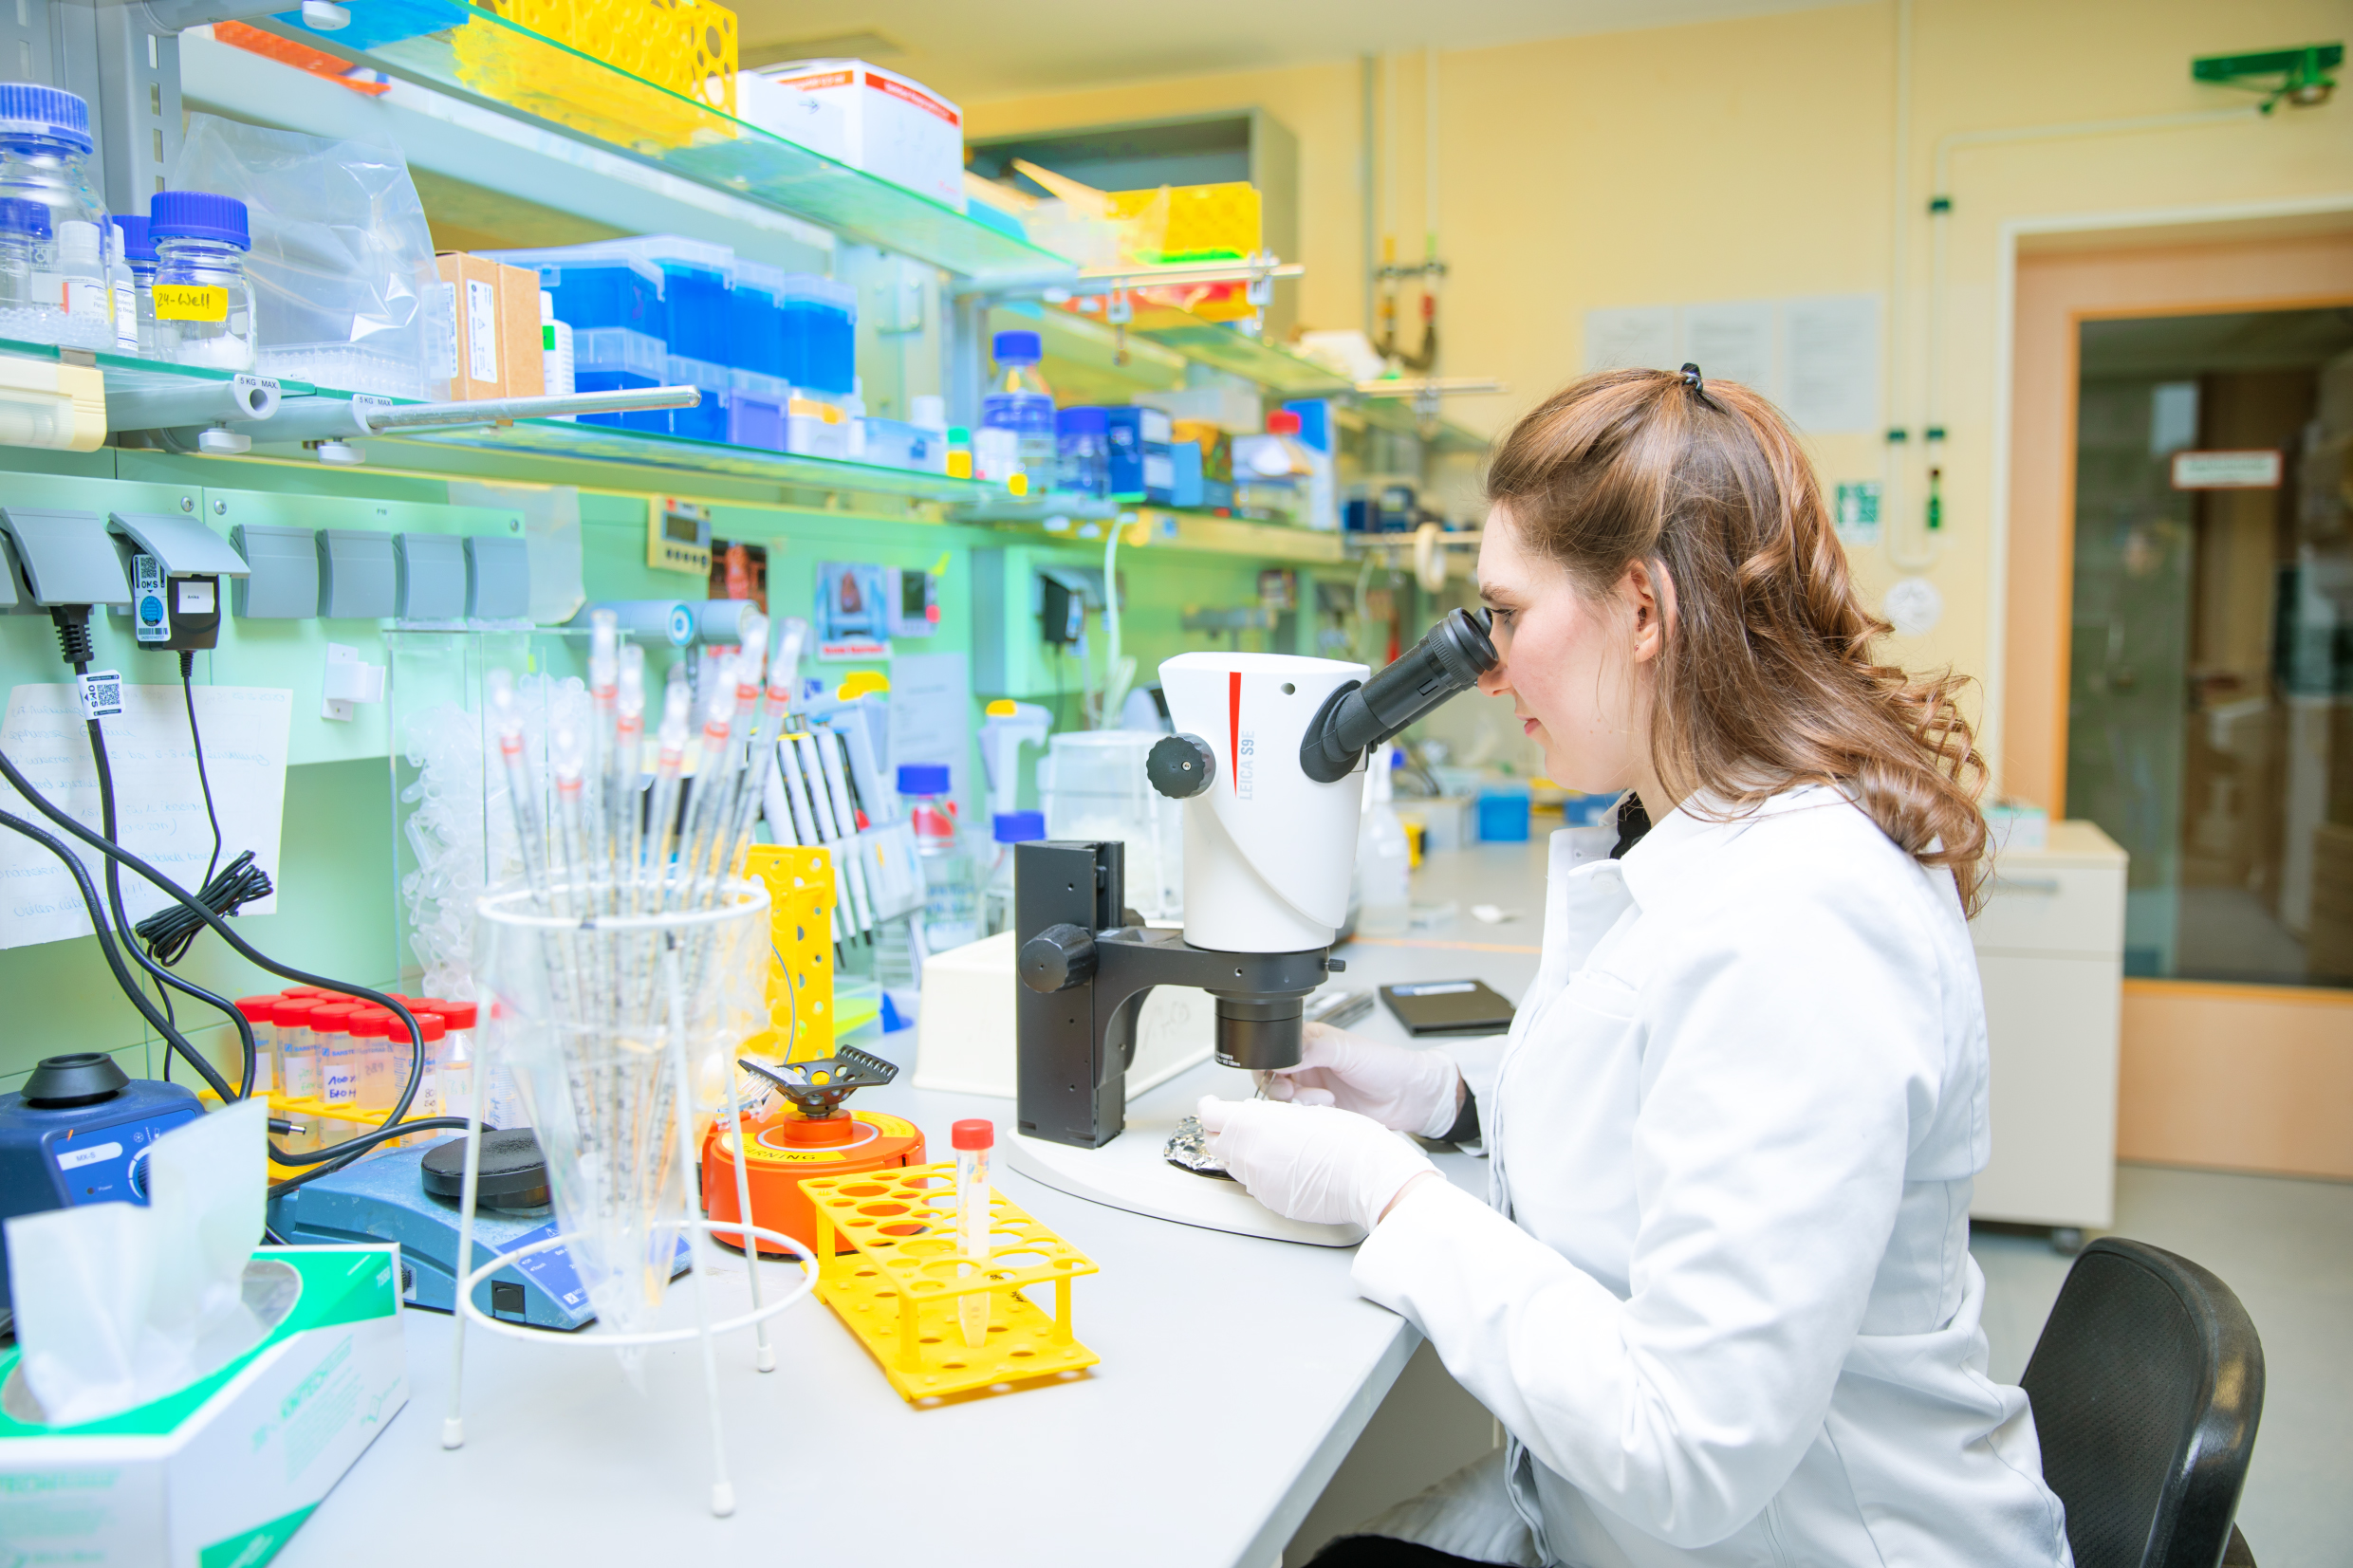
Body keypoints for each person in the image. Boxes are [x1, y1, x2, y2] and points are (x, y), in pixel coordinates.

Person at [1196, 367, 2073, 1568]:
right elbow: (1677, 1100)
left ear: (1644, 610)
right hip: (1607, 1519)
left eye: (1505, 615)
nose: (1488, 669)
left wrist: (1380, 1193)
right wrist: (1443, 1100)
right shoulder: (1699, 830)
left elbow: (1685, 1450)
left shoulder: (1802, 914)